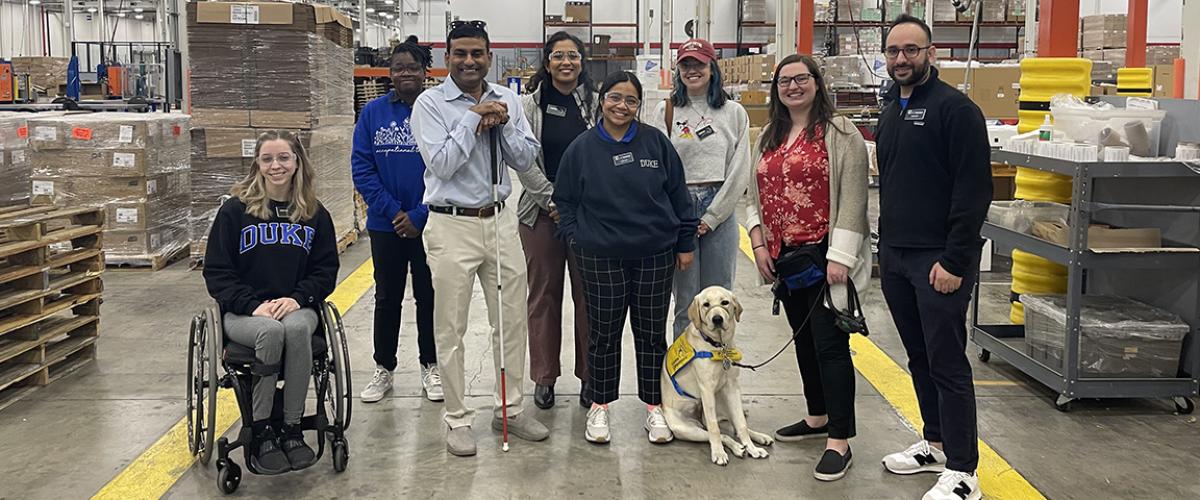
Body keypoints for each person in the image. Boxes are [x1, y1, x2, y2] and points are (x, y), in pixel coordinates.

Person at [411, 21, 549, 457]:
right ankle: (457, 418)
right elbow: (443, 164)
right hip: (451, 224)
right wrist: (472, 120)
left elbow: (526, 159)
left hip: (499, 220)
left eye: (477, 54)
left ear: (489, 56)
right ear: (446, 57)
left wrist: (504, 125)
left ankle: (508, 409)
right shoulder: (429, 105)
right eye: (460, 54)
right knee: (449, 327)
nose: (469, 61)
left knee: (510, 320)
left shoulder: (508, 98)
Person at [875, 15, 992, 500]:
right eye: (894, 51)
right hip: (897, 256)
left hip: (938, 261)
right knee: (919, 356)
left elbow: (974, 191)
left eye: (912, 50)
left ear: (931, 54)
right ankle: (935, 442)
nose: (901, 59)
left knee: (947, 361)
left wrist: (956, 260)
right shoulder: (891, 109)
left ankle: (964, 469)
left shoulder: (956, 110)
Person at [745, 54, 870, 482]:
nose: (792, 87)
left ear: (817, 83)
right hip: (784, 257)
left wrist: (842, 257)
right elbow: (753, 192)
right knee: (802, 341)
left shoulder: (839, 134)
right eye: (784, 81)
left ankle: (840, 440)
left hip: (823, 256)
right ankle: (816, 416)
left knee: (830, 345)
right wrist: (758, 242)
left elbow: (854, 197)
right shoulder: (768, 136)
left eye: (801, 79)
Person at [553, 71, 697, 445]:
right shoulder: (582, 148)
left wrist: (684, 243)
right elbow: (564, 199)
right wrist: (577, 236)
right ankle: (600, 405)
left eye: (630, 100)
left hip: (654, 254)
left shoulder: (656, 144)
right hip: (600, 256)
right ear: (602, 100)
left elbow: (679, 195)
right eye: (615, 97)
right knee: (603, 335)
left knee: (651, 336)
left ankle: (654, 407)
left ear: (639, 105)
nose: (622, 106)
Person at [202, 131, 339, 475]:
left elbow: (325, 271)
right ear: (258, 165)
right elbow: (217, 273)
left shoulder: (314, 214)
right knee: (270, 332)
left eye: (283, 158)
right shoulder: (235, 212)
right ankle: (261, 430)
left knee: (293, 331)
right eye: (268, 159)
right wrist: (252, 305)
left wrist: (297, 299)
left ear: (297, 163)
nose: (276, 166)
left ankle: (292, 428)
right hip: (244, 315)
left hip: (298, 308)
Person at [353, 36, 442, 404]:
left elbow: (448, 168)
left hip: (429, 222)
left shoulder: (436, 111)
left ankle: (431, 366)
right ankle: (384, 368)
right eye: (398, 68)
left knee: (429, 296)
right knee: (387, 297)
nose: (405, 73)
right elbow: (362, 165)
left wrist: (420, 214)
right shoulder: (373, 113)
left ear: (425, 72)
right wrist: (392, 211)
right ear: (390, 74)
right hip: (385, 225)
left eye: (412, 67)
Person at [647, 38, 751, 340]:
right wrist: (678, 216)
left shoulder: (733, 112)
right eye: (686, 64)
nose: (692, 70)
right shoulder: (665, 111)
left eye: (699, 64)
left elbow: (739, 169)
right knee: (688, 302)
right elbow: (657, 167)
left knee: (721, 300)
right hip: (680, 212)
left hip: (720, 206)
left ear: (712, 67)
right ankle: (685, 376)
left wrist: (713, 216)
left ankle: (719, 369)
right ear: (678, 69)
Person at [517, 31, 598, 410]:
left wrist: (579, 205)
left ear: (582, 62)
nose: (567, 62)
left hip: (589, 217)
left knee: (590, 298)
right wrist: (553, 201)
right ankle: (545, 377)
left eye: (573, 56)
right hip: (541, 215)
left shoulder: (597, 105)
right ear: (547, 62)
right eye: (558, 56)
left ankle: (590, 376)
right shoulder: (528, 106)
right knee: (544, 297)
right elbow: (524, 161)